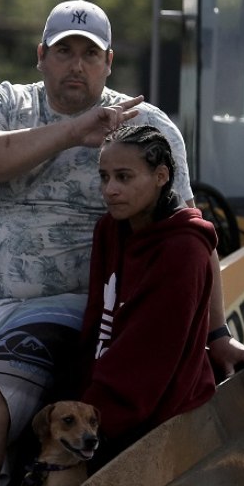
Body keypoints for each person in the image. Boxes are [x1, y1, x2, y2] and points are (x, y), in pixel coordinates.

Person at [0, 0, 244, 486]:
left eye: (90, 54)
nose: (76, 65)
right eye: (64, 51)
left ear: (109, 62)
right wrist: (74, 130)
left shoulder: (144, 126)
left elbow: (193, 232)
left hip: (75, 307)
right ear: (41, 56)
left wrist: (217, 335)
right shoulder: (7, 101)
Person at [81, 125, 217, 468]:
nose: (110, 190)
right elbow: (96, 321)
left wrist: (87, 421)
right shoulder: (111, 229)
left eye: (124, 177)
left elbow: (147, 357)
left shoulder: (184, 248)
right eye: (105, 177)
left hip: (156, 420)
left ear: (160, 176)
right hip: (99, 409)